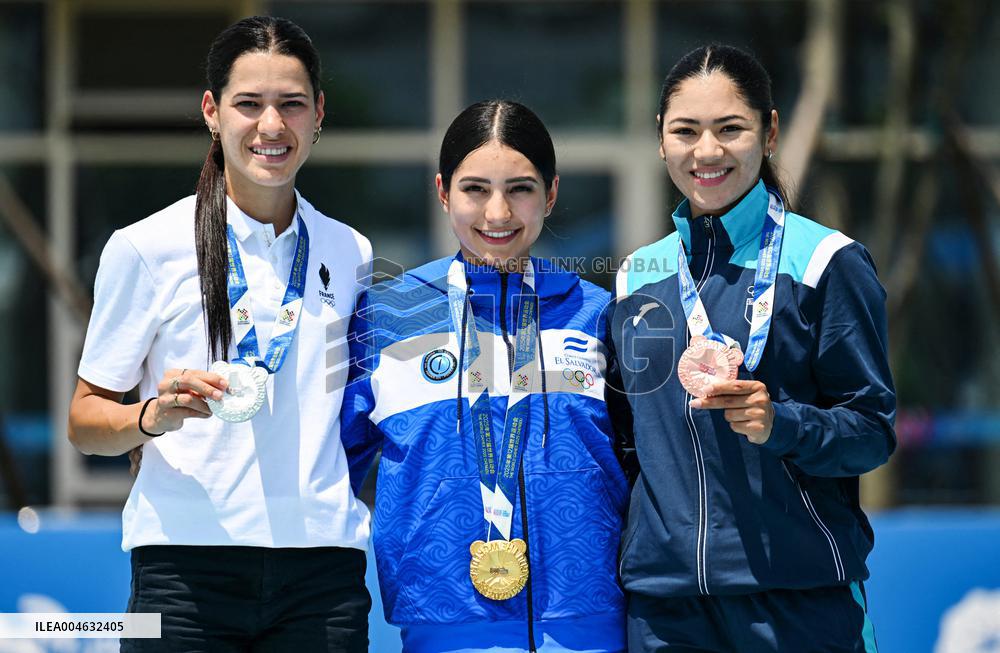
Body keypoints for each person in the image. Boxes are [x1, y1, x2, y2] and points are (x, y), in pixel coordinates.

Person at [67, 16, 372, 652]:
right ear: (212, 111)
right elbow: (85, 421)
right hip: (184, 570)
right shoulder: (146, 247)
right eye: (248, 104)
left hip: (321, 573)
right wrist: (152, 416)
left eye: (291, 104)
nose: (271, 125)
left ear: (319, 113)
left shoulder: (351, 252)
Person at [610, 44, 896, 653]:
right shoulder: (637, 276)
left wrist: (782, 424)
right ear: (661, 140)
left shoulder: (825, 263)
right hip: (667, 610)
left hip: (795, 602)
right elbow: (630, 443)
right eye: (685, 131)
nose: (706, 151)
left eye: (730, 129)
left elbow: (872, 430)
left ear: (768, 133)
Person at [340, 100, 628, 653]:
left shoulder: (598, 314)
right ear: (444, 192)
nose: (498, 213)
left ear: (551, 193)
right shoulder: (386, 315)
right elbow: (331, 467)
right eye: (475, 189)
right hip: (443, 622)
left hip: (587, 622)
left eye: (520, 188)